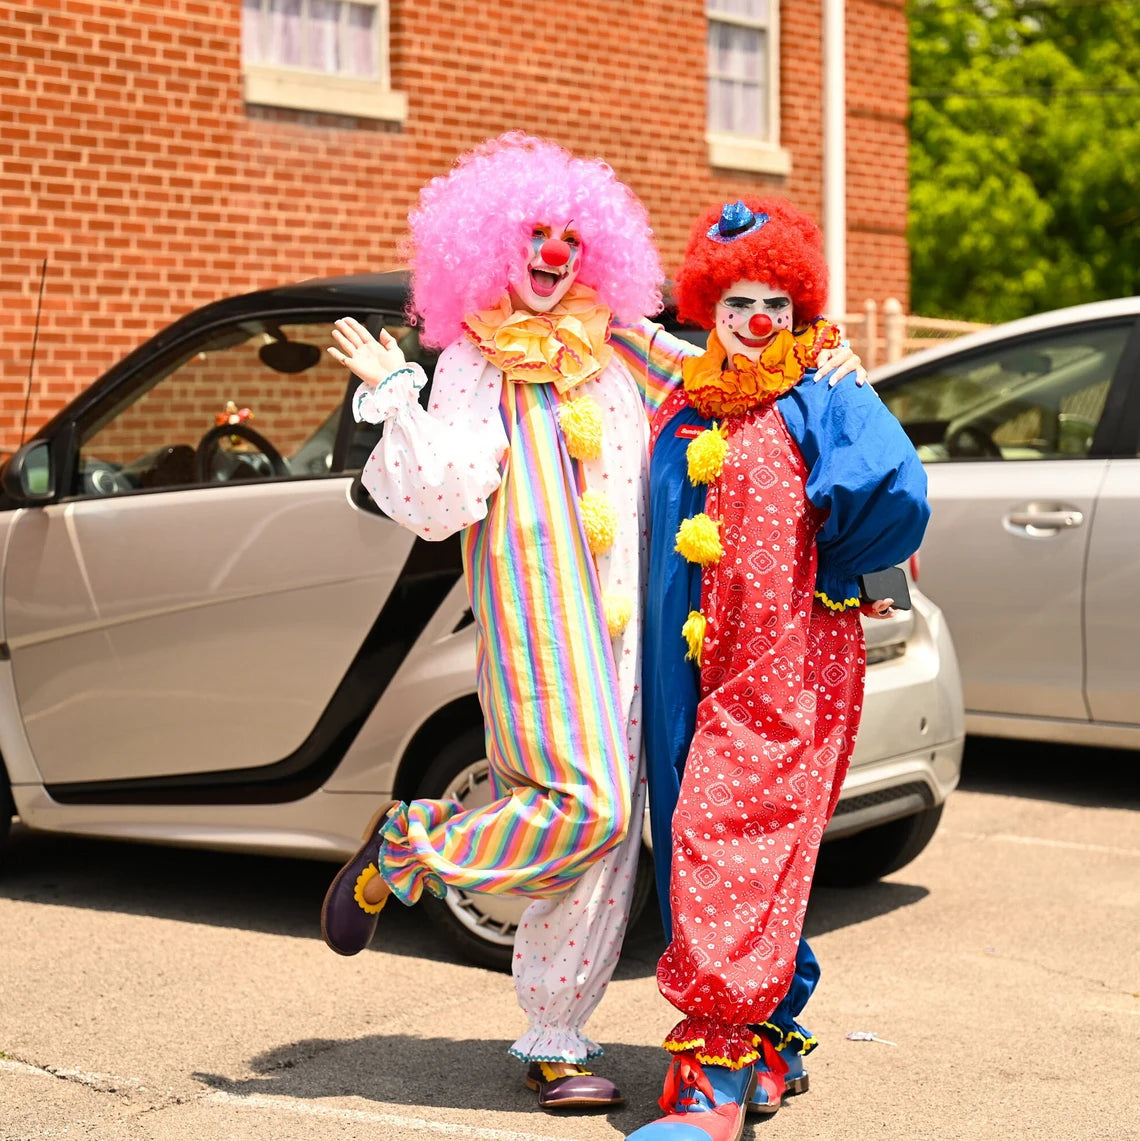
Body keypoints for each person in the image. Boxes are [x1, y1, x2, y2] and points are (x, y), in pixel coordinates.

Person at [318, 134, 864, 1111]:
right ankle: (413, 844)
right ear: (494, 246)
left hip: (636, 629)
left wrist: (822, 361)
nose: (556, 251)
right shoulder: (479, 361)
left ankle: (554, 1036)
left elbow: (725, 382)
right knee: (590, 809)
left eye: (573, 235)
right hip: (539, 617)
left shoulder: (620, 343)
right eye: (536, 232)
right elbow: (441, 493)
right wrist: (393, 395)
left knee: (615, 842)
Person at [627, 198, 930, 1141]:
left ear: (799, 309)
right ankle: (767, 1033)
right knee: (708, 831)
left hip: (788, 650)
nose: (758, 321)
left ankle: (709, 1071)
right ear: (708, 310)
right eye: (737, 303)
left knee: (736, 824)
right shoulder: (684, 400)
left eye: (776, 304)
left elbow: (892, 497)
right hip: (688, 662)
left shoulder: (821, 388)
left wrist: (857, 397)